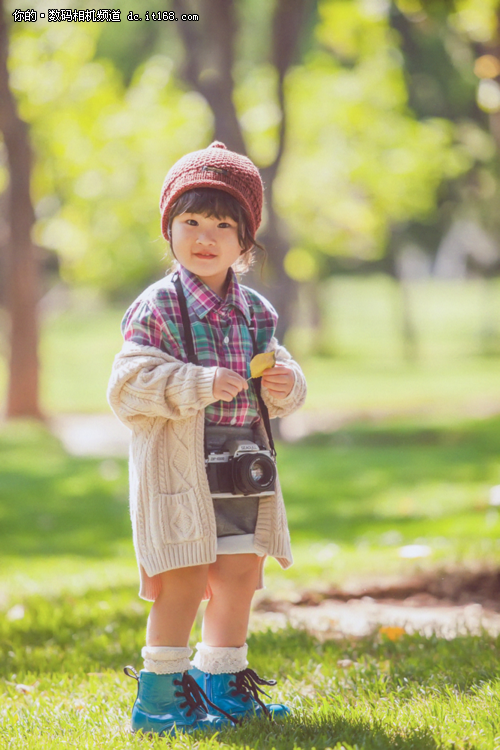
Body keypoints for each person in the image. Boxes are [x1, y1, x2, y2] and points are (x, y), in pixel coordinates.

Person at [107, 141, 307, 735]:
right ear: (168, 228)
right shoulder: (158, 308)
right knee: (185, 578)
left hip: (242, 465)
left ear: (246, 242)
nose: (204, 237)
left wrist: (285, 381)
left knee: (240, 574)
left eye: (223, 225)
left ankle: (221, 683)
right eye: (190, 221)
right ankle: (160, 698)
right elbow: (127, 386)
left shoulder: (257, 313)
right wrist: (194, 383)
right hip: (181, 472)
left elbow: (286, 386)